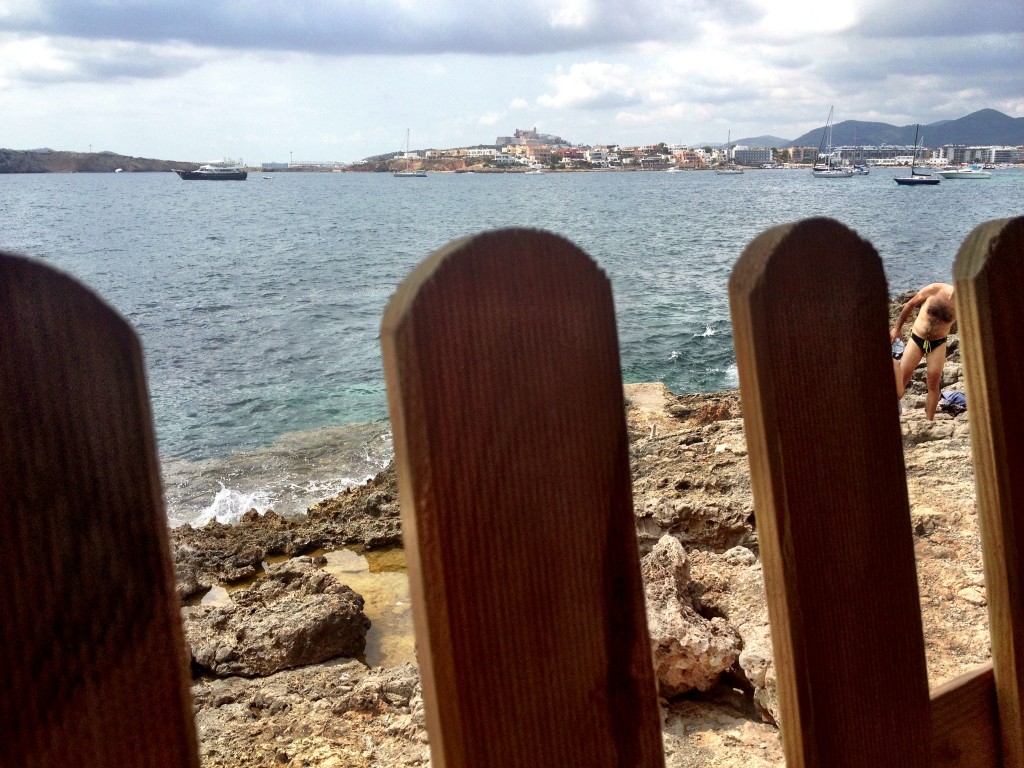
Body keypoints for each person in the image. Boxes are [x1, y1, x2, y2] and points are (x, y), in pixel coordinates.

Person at [891, 283, 956, 420]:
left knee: (933, 383)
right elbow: (910, 304)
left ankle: (929, 421)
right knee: (901, 380)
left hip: (938, 343)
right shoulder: (936, 289)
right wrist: (897, 329)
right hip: (917, 338)